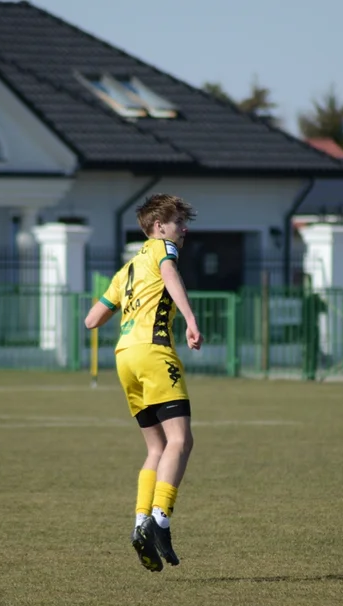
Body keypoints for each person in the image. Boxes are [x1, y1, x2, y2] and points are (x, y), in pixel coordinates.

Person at [83, 194, 202, 572]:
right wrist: (189, 319)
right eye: (177, 221)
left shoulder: (127, 269)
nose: (183, 229)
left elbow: (91, 320)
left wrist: (124, 303)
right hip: (153, 351)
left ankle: (140, 524)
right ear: (157, 226)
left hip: (124, 358)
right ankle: (160, 520)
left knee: (156, 447)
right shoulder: (161, 250)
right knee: (181, 441)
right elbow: (169, 273)